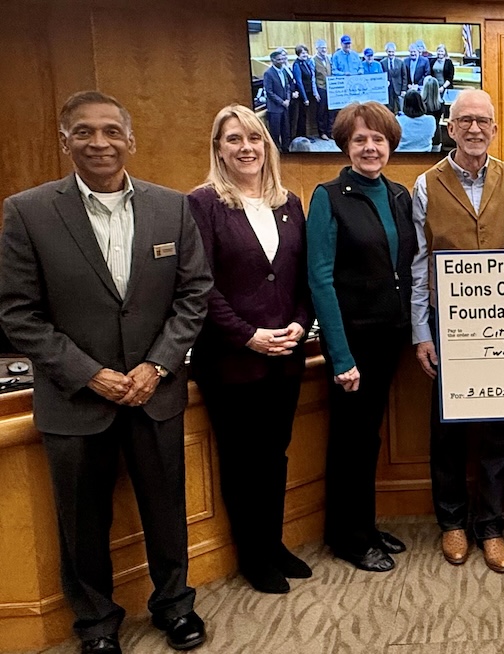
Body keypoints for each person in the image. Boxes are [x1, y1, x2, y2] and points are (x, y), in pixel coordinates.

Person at [0, 90, 211, 653]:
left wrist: (157, 365)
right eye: (85, 132)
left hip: (155, 394)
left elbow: (194, 296)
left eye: (112, 131)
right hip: (75, 401)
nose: (100, 142)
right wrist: (90, 374)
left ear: (130, 140)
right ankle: (95, 624)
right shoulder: (28, 211)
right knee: (81, 522)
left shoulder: (173, 208)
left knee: (167, 509)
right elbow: (17, 312)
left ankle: (174, 605)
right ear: (64, 140)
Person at [187, 104, 313, 595]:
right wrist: (247, 334)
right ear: (218, 148)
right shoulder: (202, 204)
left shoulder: (290, 203)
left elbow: (302, 277)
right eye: (234, 139)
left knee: (275, 454)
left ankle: (273, 543)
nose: (246, 148)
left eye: (254, 138)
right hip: (231, 358)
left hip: (286, 354)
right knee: (243, 459)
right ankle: (252, 555)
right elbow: (200, 285)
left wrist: (301, 326)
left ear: (268, 145)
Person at [410, 89, 504, 573]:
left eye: (484, 121)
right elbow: (419, 263)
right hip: (447, 322)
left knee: (502, 429)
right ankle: (453, 522)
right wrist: (421, 331)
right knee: (449, 428)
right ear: (449, 128)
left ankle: (492, 526)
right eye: (465, 121)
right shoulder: (424, 184)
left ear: (495, 129)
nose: (475, 129)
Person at [307, 101, 416, 573]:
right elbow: (320, 278)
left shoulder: (399, 195)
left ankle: (365, 525)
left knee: (367, 438)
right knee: (350, 440)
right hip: (352, 342)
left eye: (378, 139)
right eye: (360, 140)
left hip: (388, 338)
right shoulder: (328, 196)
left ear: (390, 144)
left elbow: (407, 266)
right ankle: (348, 538)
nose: (370, 147)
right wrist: (340, 356)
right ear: (345, 146)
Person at [263, 48, 297, 153]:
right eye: (279, 59)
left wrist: (287, 99)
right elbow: (269, 92)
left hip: (285, 106)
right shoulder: (268, 73)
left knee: (286, 131)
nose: (282, 61)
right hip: (275, 108)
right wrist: (282, 102)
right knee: (275, 133)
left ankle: (286, 150)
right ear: (272, 60)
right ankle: (276, 153)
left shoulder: (283, 71)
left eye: (282, 59)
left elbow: (287, 87)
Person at [291, 44, 319, 141]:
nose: (305, 54)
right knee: (302, 116)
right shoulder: (297, 64)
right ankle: (301, 136)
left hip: (309, 93)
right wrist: (305, 98)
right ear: (298, 54)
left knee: (306, 115)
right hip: (303, 95)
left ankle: (306, 134)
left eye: (306, 52)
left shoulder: (306, 62)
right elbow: (299, 82)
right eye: (303, 53)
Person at [312, 39, 333, 140]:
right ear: (317, 49)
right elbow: (313, 78)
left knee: (330, 111)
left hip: (330, 88)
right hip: (320, 88)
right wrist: (315, 93)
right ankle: (322, 133)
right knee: (321, 112)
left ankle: (330, 132)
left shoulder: (329, 59)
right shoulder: (313, 60)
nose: (324, 50)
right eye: (322, 48)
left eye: (325, 48)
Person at [382, 42, 404, 114]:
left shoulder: (400, 62)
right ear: (386, 52)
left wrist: (403, 89)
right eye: (389, 52)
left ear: (395, 52)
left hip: (398, 87)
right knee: (389, 107)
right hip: (388, 88)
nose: (391, 54)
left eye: (392, 52)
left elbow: (404, 76)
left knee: (399, 106)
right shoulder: (382, 62)